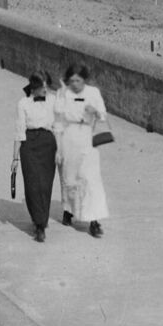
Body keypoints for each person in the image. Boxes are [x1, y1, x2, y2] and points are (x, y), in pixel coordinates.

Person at [54, 64, 110, 238]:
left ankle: (93, 221)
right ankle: (68, 210)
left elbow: (103, 115)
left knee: (90, 178)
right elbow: (57, 120)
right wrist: (58, 148)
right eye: (72, 81)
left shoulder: (93, 92)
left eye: (78, 80)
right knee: (69, 178)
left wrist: (95, 111)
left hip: (87, 137)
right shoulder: (63, 93)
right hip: (68, 137)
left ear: (84, 79)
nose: (75, 84)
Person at [13, 72, 58, 242]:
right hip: (29, 145)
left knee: (45, 186)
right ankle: (39, 225)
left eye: (47, 86)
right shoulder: (23, 103)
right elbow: (19, 131)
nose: (46, 89)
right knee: (33, 185)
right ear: (34, 88)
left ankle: (42, 221)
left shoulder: (53, 100)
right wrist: (15, 158)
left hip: (48, 143)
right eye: (42, 87)